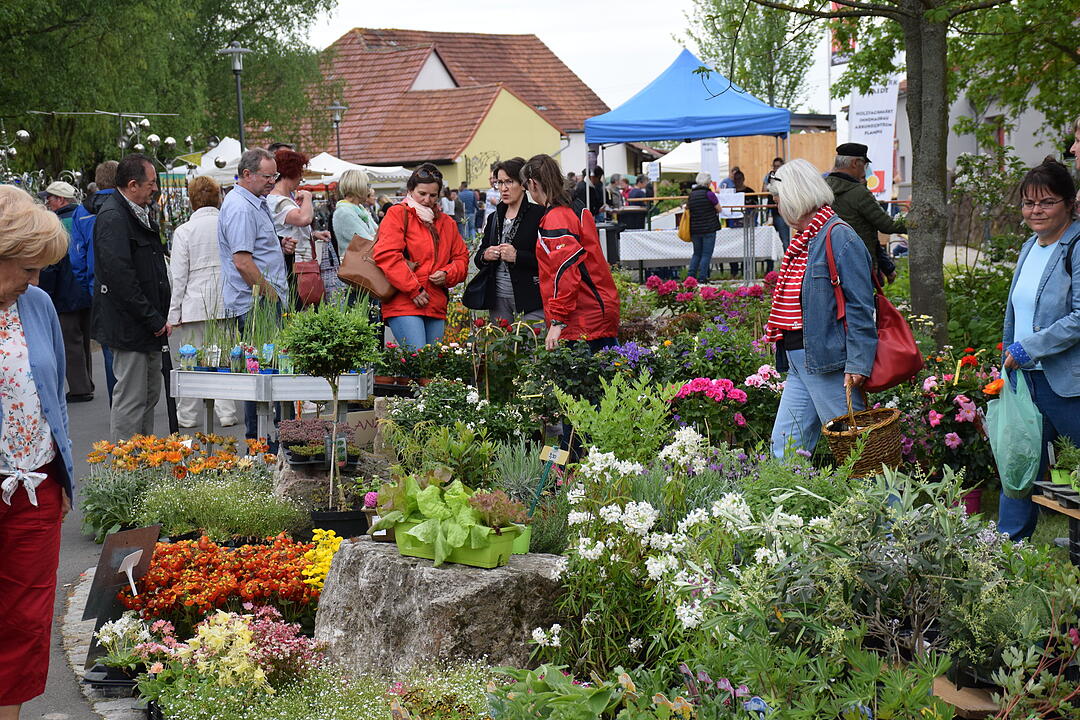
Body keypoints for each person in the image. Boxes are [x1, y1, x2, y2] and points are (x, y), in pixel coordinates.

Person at [0, 185, 75, 720]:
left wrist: (62, 476)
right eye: (27, 267)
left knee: (26, 620)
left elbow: (57, 394)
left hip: (36, 484)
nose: (35, 279)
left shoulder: (38, 303)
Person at [764, 159, 877, 459]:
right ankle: (788, 507)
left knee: (857, 452)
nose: (777, 207)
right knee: (784, 452)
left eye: (778, 200)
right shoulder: (805, 238)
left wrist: (858, 364)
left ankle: (890, 506)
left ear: (795, 197)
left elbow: (862, 308)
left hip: (828, 364)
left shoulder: (839, 236)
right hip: (801, 362)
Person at [996, 159, 1080, 542]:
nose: (1035, 211)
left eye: (1046, 202)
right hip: (1025, 381)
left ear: (1070, 203)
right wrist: (1010, 361)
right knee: (1018, 464)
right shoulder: (1030, 246)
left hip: (1067, 383)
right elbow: (1018, 310)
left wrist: (1027, 348)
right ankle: (1005, 551)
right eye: (1028, 203)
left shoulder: (1076, 245)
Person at [91, 154, 171, 442]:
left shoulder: (136, 212)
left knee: (148, 396)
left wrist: (159, 316)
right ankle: (126, 472)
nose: (155, 189)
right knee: (131, 399)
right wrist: (152, 317)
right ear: (133, 184)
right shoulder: (114, 217)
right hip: (130, 326)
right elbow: (120, 278)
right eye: (151, 184)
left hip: (145, 324)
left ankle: (143, 462)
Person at [218, 147, 292, 440]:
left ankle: (268, 438)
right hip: (255, 304)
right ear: (246, 174)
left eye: (274, 175)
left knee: (268, 372)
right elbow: (243, 262)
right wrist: (271, 296)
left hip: (260, 300)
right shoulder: (240, 207)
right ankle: (261, 442)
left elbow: (254, 252)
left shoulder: (254, 201)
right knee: (261, 376)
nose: (272, 181)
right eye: (267, 176)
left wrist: (278, 246)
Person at [521, 154, 620, 353]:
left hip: (582, 317)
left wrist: (557, 321)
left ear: (532, 184)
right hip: (596, 308)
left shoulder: (557, 217)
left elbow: (565, 272)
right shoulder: (574, 207)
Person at [373, 164, 469, 349]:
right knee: (419, 361)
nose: (427, 199)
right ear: (410, 190)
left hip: (435, 302)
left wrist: (447, 273)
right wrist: (413, 289)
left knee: (429, 366)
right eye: (422, 193)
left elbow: (461, 259)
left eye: (433, 195)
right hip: (404, 299)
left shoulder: (446, 223)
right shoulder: (398, 213)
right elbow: (387, 255)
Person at [167, 176, 238, 428]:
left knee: (190, 362)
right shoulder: (227, 225)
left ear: (191, 200)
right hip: (225, 302)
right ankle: (227, 411)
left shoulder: (184, 231)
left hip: (195, 304)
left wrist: (173, 315)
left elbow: (178, 277)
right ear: (218, 197)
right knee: (224, 360)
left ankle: (187, 415)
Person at [468, 156, 545, 324]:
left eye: (509, 182)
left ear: (523, 185)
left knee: (532, 347)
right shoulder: (495, 217)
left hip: (531, 298)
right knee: (503, 348)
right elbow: (479, 257)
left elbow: (548, 259)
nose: (503, 188)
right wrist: (485, 255)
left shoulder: (539, 214)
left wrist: (518, 256)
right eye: (500, 183)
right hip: (498, 298)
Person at [39, 181, 95, 402]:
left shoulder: (56, 224)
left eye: (50, 198)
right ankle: (87, 380)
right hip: (85, 288)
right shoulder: (84, 218)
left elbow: (51, 263)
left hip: (65, 291)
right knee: (84, 339)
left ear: (61, 200)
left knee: (69, 341)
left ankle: (80, 388)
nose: (47, 202)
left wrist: (46, 292)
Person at [71, 161, 118, 404]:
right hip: (126, 286)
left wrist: (88, 286)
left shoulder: (82, 211)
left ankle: (116, 404)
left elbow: (76, 257)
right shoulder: (125, 205)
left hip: (96, 288)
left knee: (109, 347)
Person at [268, 148, 341, 305]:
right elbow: (304, 218)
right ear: (292, 172)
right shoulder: (278, 201)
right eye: (300, 172)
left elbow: (291, 228)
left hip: (298, 265)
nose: (301, 178)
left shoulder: (284, 200)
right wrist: (308, 197)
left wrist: (314, 234)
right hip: (297, 267)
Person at [825, 143, 904, 284]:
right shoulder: (859, 192)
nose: (865, 171)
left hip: (828, 261)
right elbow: (887, 225)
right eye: (865, 165)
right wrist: (914, 222)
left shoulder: (821, 187)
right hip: (859, 262)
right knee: (864, 304)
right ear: (855, 163)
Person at [686, 172, 722, 283]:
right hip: (709, 228)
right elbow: (719, 209)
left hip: (695, 229)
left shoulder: (692, 195)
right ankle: (702, 277)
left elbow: (687, 208)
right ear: (708, 183)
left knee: (696, 253)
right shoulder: (710, 194)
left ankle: (691, 277)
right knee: (706, 254)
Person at [333, 169, 378, 249]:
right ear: (358, 187)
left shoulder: (360, 209)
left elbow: (378, 233)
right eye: (367, 185)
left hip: (365, 258)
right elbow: (366, 241)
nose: (369, 190)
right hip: (357, 260)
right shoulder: (344, 212)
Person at [763, 157, 791, 250]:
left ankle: (788, 262)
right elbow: (763, 192)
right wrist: (770, 183)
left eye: (778, 166)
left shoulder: (786, 177)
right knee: (768, 239)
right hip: (771, 210)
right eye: (774, 166)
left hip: (782, 211)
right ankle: (770, 264)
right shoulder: (769, 176)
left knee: (785, 239)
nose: (776, 169)